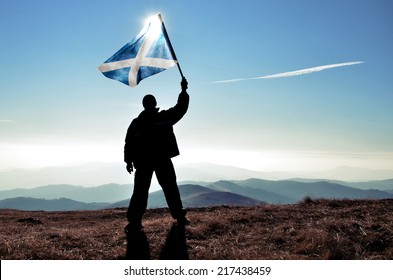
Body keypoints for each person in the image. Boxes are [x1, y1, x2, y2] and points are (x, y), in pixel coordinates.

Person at [124, 77, 189, 234]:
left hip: (148, 161)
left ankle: (135, 221)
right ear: (152, 104)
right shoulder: (160, 118)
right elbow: (180, 109)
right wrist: (184, 91)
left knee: (143, 191)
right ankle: (179, 216)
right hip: (158, 160)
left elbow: (128, 143)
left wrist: (184, 91)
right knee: (167, 189)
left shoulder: (138, 122)